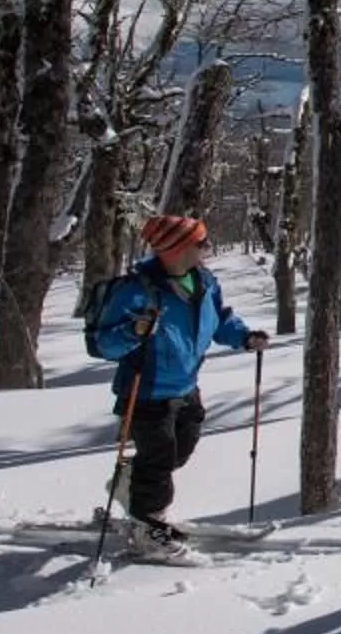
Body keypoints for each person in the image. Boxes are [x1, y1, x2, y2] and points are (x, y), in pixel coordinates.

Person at [87, 213, 265, 563]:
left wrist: (244, 337)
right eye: (200, 242)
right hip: (146, 391)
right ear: (176, 248)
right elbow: (102, 344)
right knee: (158, 460)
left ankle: (130, 485)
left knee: (180, 450)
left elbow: (219, 319)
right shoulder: (136, 290)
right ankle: (147, 529)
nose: (207, 247)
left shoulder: (204, 281)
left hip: (186, 386)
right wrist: (133, 332)